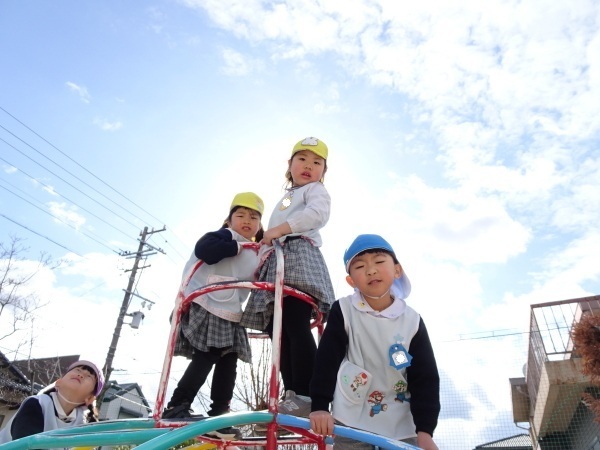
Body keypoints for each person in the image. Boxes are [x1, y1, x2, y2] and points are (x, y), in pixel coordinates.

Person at [309, 234, 440, 450]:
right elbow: (327, 361)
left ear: (397, 270)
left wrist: (425, 431)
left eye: (379, 261)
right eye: (360, 266)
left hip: (401, 425)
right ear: (351, 281)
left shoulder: (411, 321)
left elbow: (425, 378)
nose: (371, 270)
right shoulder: (344, 310)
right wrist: (320, 406)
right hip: (351, 419)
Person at [240, 137, 335, 417]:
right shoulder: (289, 197)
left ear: (323, 171)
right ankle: (292, 392)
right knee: (276, 329)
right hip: (278, 259)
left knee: (295, 321)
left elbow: (317, 215)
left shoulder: (315, 190)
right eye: (302, 159)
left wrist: (280, 230)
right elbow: (272, 235)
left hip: (297, 255)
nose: (308, 166)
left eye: (317, 162)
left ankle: (308, 393)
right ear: (290, 164)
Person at [162, 192, 265, 440]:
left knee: (229, 362)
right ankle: (177, 404)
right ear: (228, 220)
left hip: (231, 310)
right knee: (208, 354)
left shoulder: (257, 251)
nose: (247, 220)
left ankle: (220, 414)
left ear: (260, 226)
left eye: (254, 217)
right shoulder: (224, 237)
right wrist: (236, 246)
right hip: (206, 300)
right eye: (240, 215)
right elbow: (205, 250)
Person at [0, 359, 104, 444]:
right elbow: (27, 445)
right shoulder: (37, 404)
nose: (81, 375)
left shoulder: (83, 424)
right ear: (58, 382)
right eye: (78, 370)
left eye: (89, 376)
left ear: (90, 399)